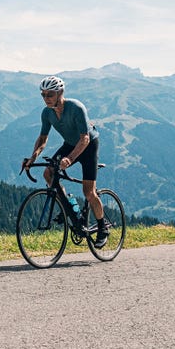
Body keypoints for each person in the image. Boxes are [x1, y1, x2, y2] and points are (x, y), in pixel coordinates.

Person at [22, 75, 109, 248]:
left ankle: (102, 226)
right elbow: (42, 138)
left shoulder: (76, 107)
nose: (46, 99)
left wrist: (69, 159)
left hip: (89, 145)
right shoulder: (47, 113)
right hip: (69, 144)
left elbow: (84, 139)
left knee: (89, 192)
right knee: (48, 172)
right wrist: (33, 158)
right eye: (43, 95)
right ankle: (68, 207)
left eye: (50, 94)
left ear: (60, 92)